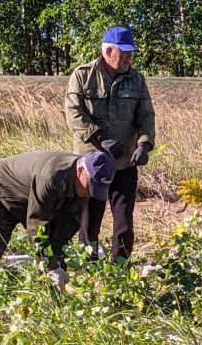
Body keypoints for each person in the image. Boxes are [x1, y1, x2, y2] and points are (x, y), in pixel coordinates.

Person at [0, 149, 116, 290]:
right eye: (91, 185)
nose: (91, 192)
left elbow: (63, 233)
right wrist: (51, 267)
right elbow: (37, 227)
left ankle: (51, 299)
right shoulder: (52, 177)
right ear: (81, 171)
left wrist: (57, 267)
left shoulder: (82, 188)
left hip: (29, 197)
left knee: (56, 251)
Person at [64, 26, 156, 259]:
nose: (128, 58)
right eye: (123, 52)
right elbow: (73, 113)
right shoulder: (83, 75)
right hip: (92, 164)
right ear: (108, 52)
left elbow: (146, 115)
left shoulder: (136, 80)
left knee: (124, 221)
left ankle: (120, 267)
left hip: (125, 162)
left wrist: (144, 145)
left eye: (130, 53)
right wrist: (100, 138)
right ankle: (88, 264)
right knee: (89, 218)